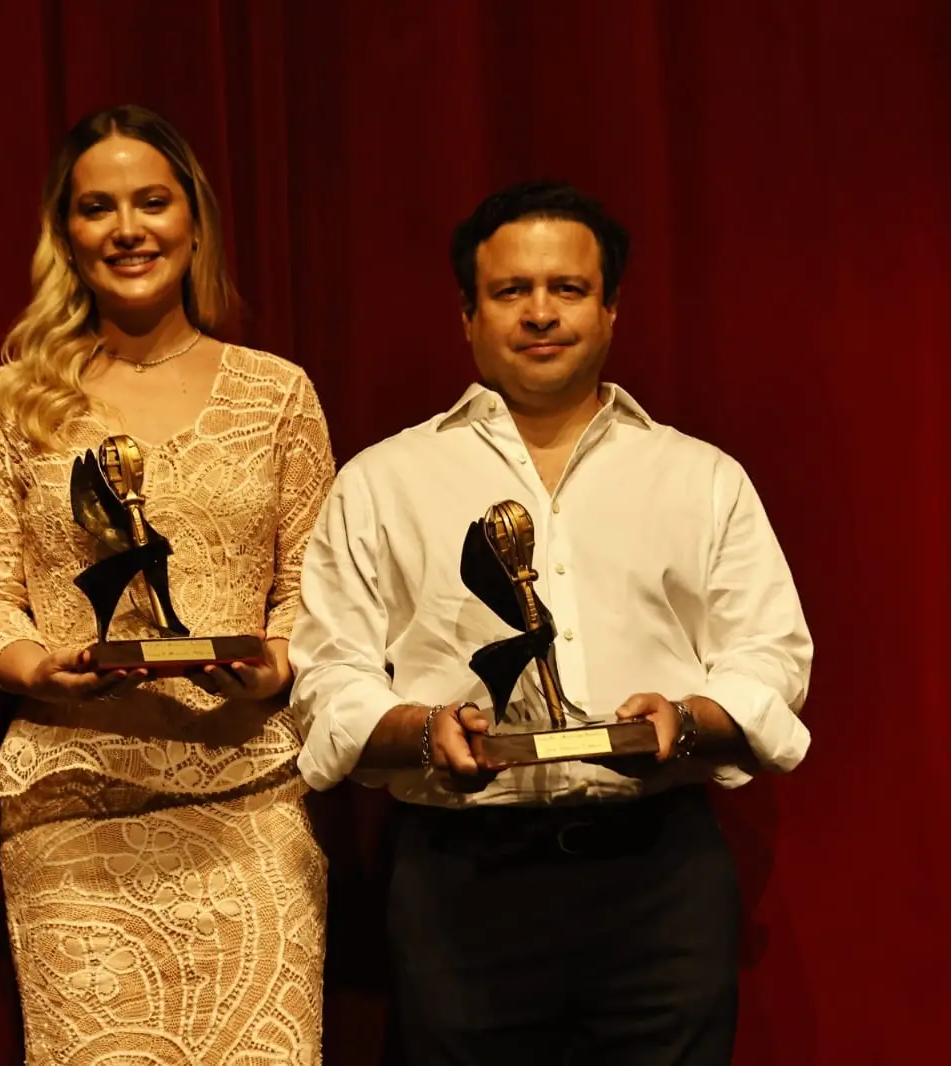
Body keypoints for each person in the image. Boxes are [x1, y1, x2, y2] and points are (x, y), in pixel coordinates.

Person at [288, 180, 813, 1066]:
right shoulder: (382, 482)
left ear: (610, 310)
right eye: (510, 291)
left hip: (660, 881)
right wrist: (423, 729)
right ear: (467, 316)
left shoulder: (702, 477)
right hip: (462, 881)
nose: (540, 313)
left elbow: (769, 659)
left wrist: (686, 722)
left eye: (568, 288)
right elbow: (329, 677)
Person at [0, 104, 335, 1066]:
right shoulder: (12, 400)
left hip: (250, 797)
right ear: (67, 234)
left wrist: (276, 662)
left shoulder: (278, 392)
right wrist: (34, 665)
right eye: (98, 208)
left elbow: (313, 587)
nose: (128, 229)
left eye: (152, 202)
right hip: (74, 808)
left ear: (194, 221)